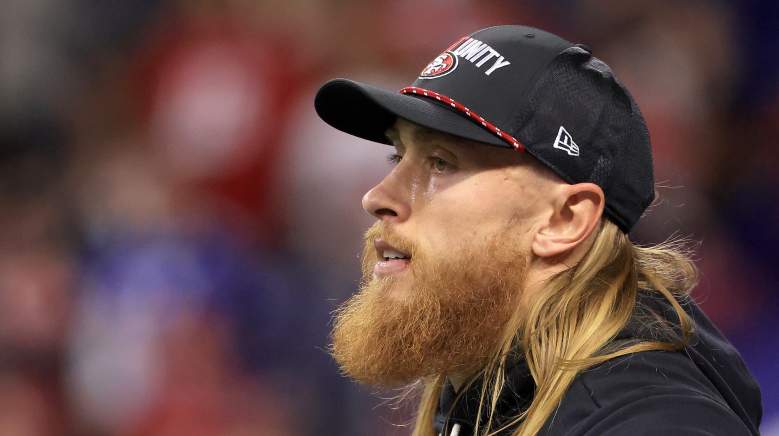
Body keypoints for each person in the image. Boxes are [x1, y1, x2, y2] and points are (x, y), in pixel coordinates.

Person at [313, 25, 762, 436]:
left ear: (564, 220)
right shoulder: (489, 393)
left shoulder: (648, 423)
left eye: (441, 163)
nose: (376, 197)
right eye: (398, 156)